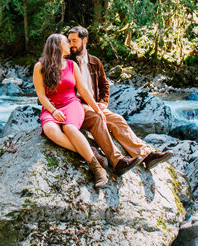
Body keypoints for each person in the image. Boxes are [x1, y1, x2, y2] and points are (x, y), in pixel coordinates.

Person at [65, 26, 174, 170]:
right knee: (97, 119)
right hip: (76, 106)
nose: (71, 44)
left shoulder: (95, 62)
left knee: (118, 120)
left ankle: (147, 156)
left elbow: (104, 85)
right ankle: (117, 162)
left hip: (94, 104)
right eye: (69, 41)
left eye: (74, 40)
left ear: (84, 40)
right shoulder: (66, 61)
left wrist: (103, 103)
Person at [33, 33, 113, 189]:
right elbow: (41, 95)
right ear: (56, 46)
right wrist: (53, 110)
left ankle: (97, 169)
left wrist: (97, 110)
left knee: (69, 128)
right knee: (50, 129)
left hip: (71, 104)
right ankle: (92, 154)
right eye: (66, 42)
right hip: (51, 107)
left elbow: (83, 90)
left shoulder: (71, 65)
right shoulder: (40, 66)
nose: (69, 44)